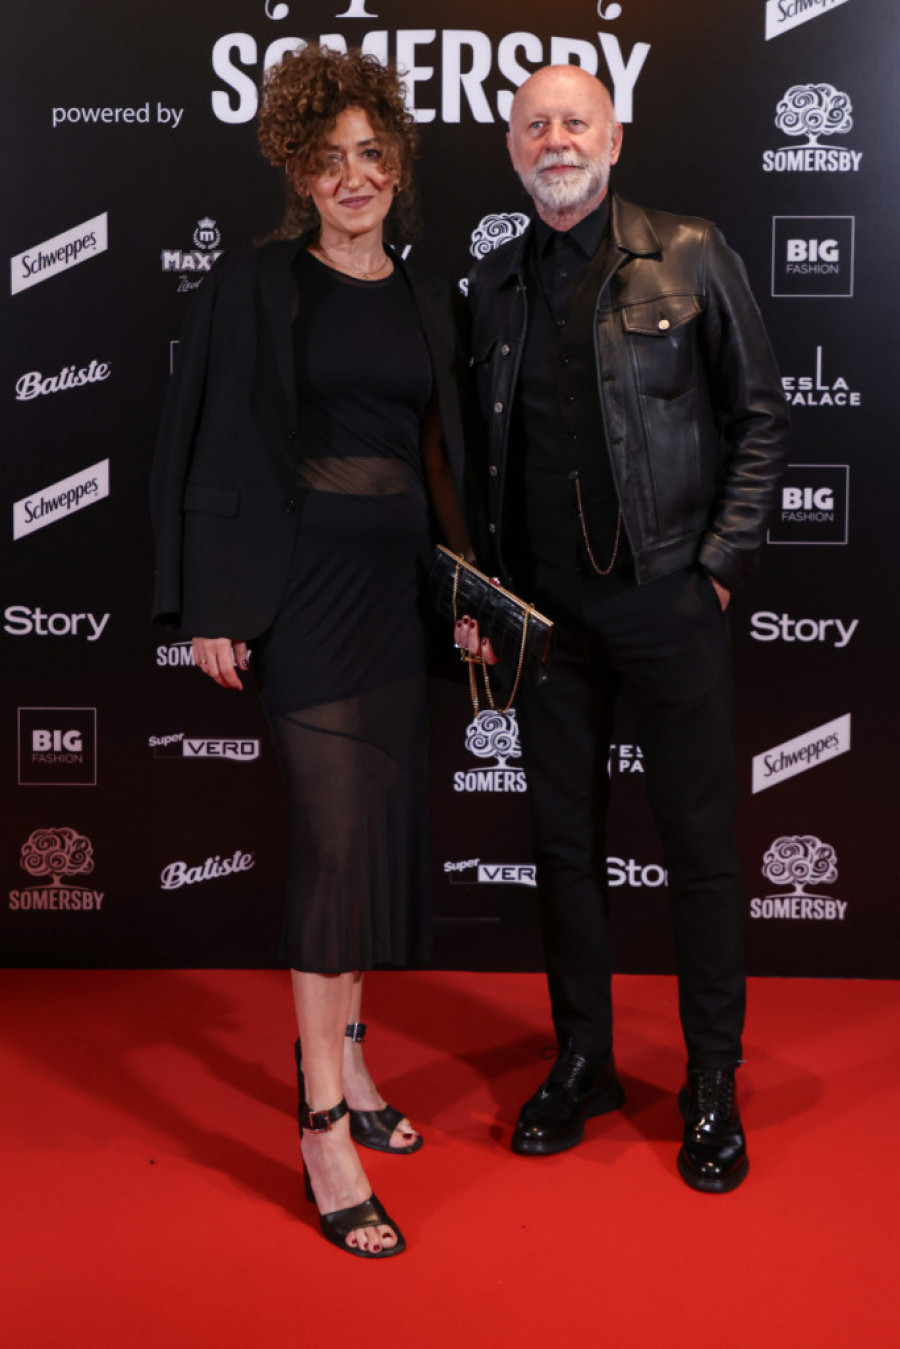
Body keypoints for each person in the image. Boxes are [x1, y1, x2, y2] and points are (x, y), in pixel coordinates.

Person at [151, 45, 470, 1256]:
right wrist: (203, 604)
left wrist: (471, 588)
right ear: (297, 171)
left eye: (372, 153)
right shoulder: (254, 284)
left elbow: (444, 461)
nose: (355, 176)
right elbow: (194, 441)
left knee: (372, 842)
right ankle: (324, 1124)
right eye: (329, 158)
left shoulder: (428, 297)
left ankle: (353, 1062)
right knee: (335, 847)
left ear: (398, 164)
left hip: (397, 600)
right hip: (297, 600)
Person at [460, 65, 789, 1192]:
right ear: (512, 149)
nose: (556, 139)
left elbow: (761, 418)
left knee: (699, 850)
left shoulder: (688, 253)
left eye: (576, 121)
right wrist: (489, 598)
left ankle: (712, 1082)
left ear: (614, 138)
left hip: (668, 602)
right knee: (564, 850)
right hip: (547, 622)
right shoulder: (492, 284)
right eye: (535, 125)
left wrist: (717, 572)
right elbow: (476, 459)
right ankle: (584, 1061)